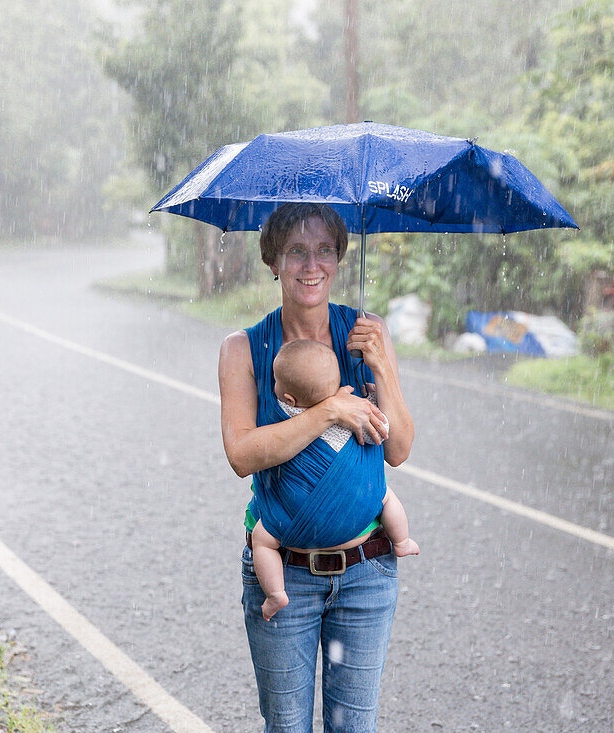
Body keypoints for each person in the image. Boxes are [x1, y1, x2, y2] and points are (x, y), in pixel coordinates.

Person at [218, 201, 414, 732]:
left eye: (325, 250)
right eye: (297, 251)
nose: (312, 265)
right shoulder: (244, 349)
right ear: (273, 260)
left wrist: (383, 370)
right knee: (286, 727)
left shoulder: (367, 335)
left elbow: (398, 450)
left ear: (339, 258)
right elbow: (241, 455)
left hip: (367, 572)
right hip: (285, 572)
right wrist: (329, 410)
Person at [253, 338, 419, 621]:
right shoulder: (354, 410)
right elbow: (380, 430)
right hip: (359, 506)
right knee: (385, 495)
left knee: (263, 540)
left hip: (291, 522)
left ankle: (276, 594)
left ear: (289, 398)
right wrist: (373, 398)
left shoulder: (285, 414)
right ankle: (402, 540)